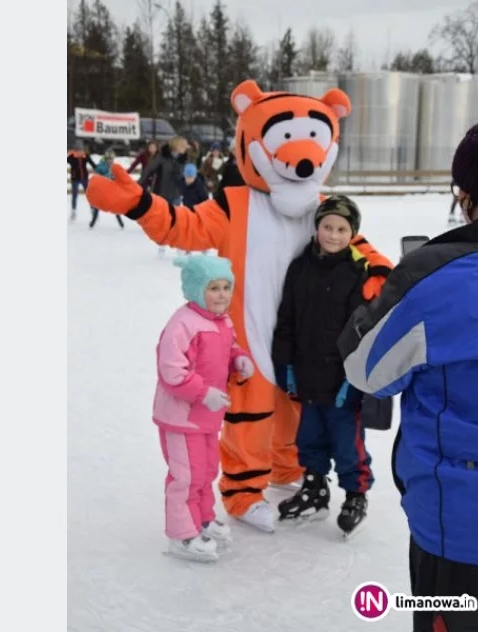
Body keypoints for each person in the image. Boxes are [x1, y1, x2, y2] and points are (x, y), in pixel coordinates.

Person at [85, 80, 392, 533]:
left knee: (297, 410)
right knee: (249, 417)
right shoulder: (235, 204)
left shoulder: (323, 209)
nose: (302, 156)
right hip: (248, 333)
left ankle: (288, 470)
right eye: (286, 140)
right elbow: (183, 227)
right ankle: (244, 491)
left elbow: (360, 249)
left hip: (306, 338)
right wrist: (139, 203)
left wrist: (381, 274)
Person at [338, 119, 478, 631]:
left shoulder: (438, 278)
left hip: (465, 526)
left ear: (467, 195)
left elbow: (366, 369)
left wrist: (386, 297)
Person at [272, 195, 374, 537]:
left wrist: (354, 379)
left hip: (342, 380)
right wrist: (285, 365)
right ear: (317, 228)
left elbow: (363, 332)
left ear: (352, 233)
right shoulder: (300, 267)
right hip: (306, 373)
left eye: (341, 229)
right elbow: (286, 319)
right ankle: (314, 487)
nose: (333, 235)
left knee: (348, 443)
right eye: (327, 227)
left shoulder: (357, 272)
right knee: (309, 437)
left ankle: (356, 495)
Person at [154, 254, 255, 562]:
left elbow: (230, 347)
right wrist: (202, 393)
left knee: (207, 470)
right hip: (181, 417)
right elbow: (172, 370)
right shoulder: (182, 324)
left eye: (226, 287)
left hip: (208, 417)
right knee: (186, 475)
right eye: (213, 288)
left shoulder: (222, 322)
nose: (222, 294)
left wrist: (239, 360)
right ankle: (181, 535)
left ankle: (202, 519)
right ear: (197, 289)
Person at [90, 151, 125, 229]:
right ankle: (92, 222)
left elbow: (116, 176)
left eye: (112, 159)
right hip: (101, 189)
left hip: (111, 189)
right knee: (97, 206)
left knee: (115, 205)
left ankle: (120, 222)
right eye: (109, 159)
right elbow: (97, 176)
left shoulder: (113, 166)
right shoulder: (101, 166)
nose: (110, 161)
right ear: (106, 159)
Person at [67, 142, 97, 221]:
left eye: (81, 150)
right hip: (75, 179)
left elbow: (93, 165)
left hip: (84, 179)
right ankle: (73, 211)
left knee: (89, 195)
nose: (80, 152)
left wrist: (99, 169)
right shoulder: (71, 157)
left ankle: (92, 209)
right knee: (74, 195)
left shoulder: (85, 156)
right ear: (75, 150)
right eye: (78, 150)